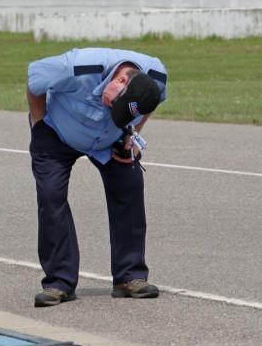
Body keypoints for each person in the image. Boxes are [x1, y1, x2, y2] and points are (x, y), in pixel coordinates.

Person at [26, 48, 168, 307]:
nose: (113, 109)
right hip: (59, 131)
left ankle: (130, 277)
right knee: (51, 195)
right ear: (120, 80)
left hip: (110, 139)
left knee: (130, 188)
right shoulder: (75, 67)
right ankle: (59, 283)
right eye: (115, 106)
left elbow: (152, 102)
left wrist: (131, 133)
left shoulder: (155, 75)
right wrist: (38, 121)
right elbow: (34, 81)